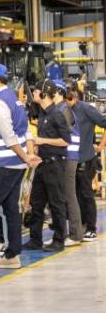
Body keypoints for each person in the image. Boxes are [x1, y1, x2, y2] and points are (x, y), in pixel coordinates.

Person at [0, 63, 40, 269]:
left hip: (1, 165)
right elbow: (25, 131)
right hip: (12, 166)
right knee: (10, 209)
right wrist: (27, 155)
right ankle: (13, 254)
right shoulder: (12, 98)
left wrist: (26, 157)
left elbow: (9, 136)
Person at [26, 80, 71, 253]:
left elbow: (66, 140)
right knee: (37, 203)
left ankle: (59, 239)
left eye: (36, 91)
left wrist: (42, 140)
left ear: (44, 94)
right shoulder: (43, 114)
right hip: (42, 164)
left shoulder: (57, 115)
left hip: (55, 165)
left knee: (56, 203)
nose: (34, 94)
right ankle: (35, 239)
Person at [67, 84, 106, 240]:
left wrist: (101, 145)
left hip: (85, 159)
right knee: (73, 195)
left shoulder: (85, 109)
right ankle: (79, 225)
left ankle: (91, 227)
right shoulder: (63, 110)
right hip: (70, 160)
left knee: (85, 194)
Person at [51, 81, 84, 244]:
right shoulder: (60, 109)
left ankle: (76, 234)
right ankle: (65, 232)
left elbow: (65, 136)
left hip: (68, 157)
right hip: (66, 157)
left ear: (57, 92)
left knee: (69, 195)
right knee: (64, 195)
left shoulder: (64, 110)